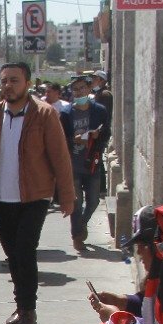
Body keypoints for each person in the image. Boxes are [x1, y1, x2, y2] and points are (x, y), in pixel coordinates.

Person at [0, 62, 74, 324]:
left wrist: (67, 196)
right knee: (13, 256)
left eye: (14, 80)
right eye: (4, 80)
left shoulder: (45, 114)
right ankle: (21, 305)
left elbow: (60, 157)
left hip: (35, 196)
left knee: (24, 251)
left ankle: (28, 310)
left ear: (28, 83)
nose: (8, 85)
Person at [58, 75, 110, 254]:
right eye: (75, 89)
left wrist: (97, 137)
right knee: (76, 202)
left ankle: (82, 224)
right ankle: (77, 237)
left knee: (94, 200)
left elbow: (106, 132)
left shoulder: (99, 111)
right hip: (73, 163)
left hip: (92, 162)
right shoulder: (66, 114)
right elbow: (61, 139)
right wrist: (74, 140)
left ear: (89, 89)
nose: (79, 92)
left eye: (82, 88)